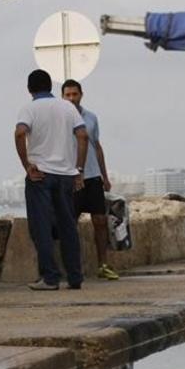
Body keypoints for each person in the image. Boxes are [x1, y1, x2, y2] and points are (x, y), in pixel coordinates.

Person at [15, 69, 89, 290]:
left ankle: (50, 278)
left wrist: (27, 165)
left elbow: (20, 133)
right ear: (50, 86)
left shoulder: (29, 108)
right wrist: (79, 169)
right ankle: (75, 277)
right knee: (68, 226)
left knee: (41, 227)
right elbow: (83, 135)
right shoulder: (67, 107)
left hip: (40, 175)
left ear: (30, 89)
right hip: (66, 174)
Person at [61, 79, 119, 281]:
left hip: (93, 176)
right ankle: (72, 267)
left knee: (100, 220)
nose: (71, 98)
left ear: (81, 94)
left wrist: (105, 175)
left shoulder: (91, 118)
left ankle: (103, 264)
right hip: (71, 176)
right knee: (70, 222)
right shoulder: (60, 119)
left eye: (74, 94)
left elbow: (97, 146)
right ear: (62, 97)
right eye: (67, 95)